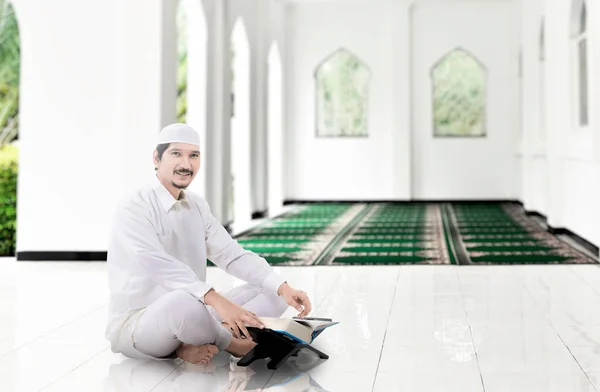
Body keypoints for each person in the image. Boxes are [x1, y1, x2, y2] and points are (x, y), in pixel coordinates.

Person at [105, 123, 312, 365]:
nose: (186, 164)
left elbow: (231, 254)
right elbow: (158, 265)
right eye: (176, 154)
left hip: (196, 310)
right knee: (183, 302)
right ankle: (232, 343)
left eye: (193, 155)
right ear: (156, 157)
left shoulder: (196, 205)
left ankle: (193, 342)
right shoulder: (134, 206)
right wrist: (215, 300)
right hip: (139, 323)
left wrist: (283, 287)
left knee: (271, 291)